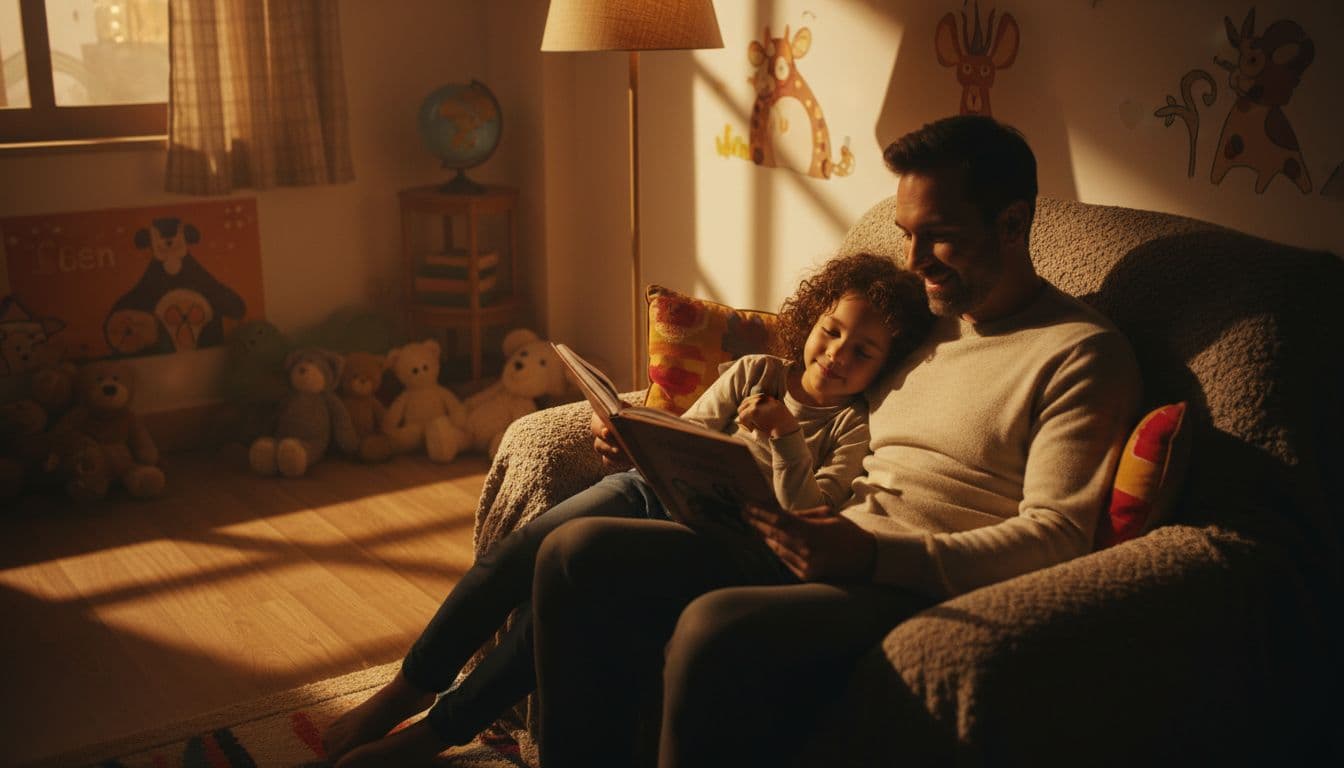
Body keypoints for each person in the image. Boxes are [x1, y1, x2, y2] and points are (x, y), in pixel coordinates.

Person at [532, 115, 1143, 768]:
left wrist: (873, 555)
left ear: (1013, 224)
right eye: (908, 235)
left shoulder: (1081, 353)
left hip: (907, 578)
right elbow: (806, 367)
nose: (913, 262)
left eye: (939, 237)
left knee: (714, 630)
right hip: (817, 534)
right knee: (575, 549)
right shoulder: (924, 323)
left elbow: (1058, 535)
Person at [321, 253, 935, 766]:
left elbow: (811, 512)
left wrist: (785, 439)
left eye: (863, 352)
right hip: (655, 496)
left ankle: (437, 732)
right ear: (813, 318)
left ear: (885, 366)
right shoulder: (756, 371)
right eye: (832, 331)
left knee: (559, 594)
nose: (835, 354)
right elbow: (688, 436)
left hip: (723, 539)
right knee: (524, 550)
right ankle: (404, 690)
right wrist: (632, 440)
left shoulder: (855, 426)